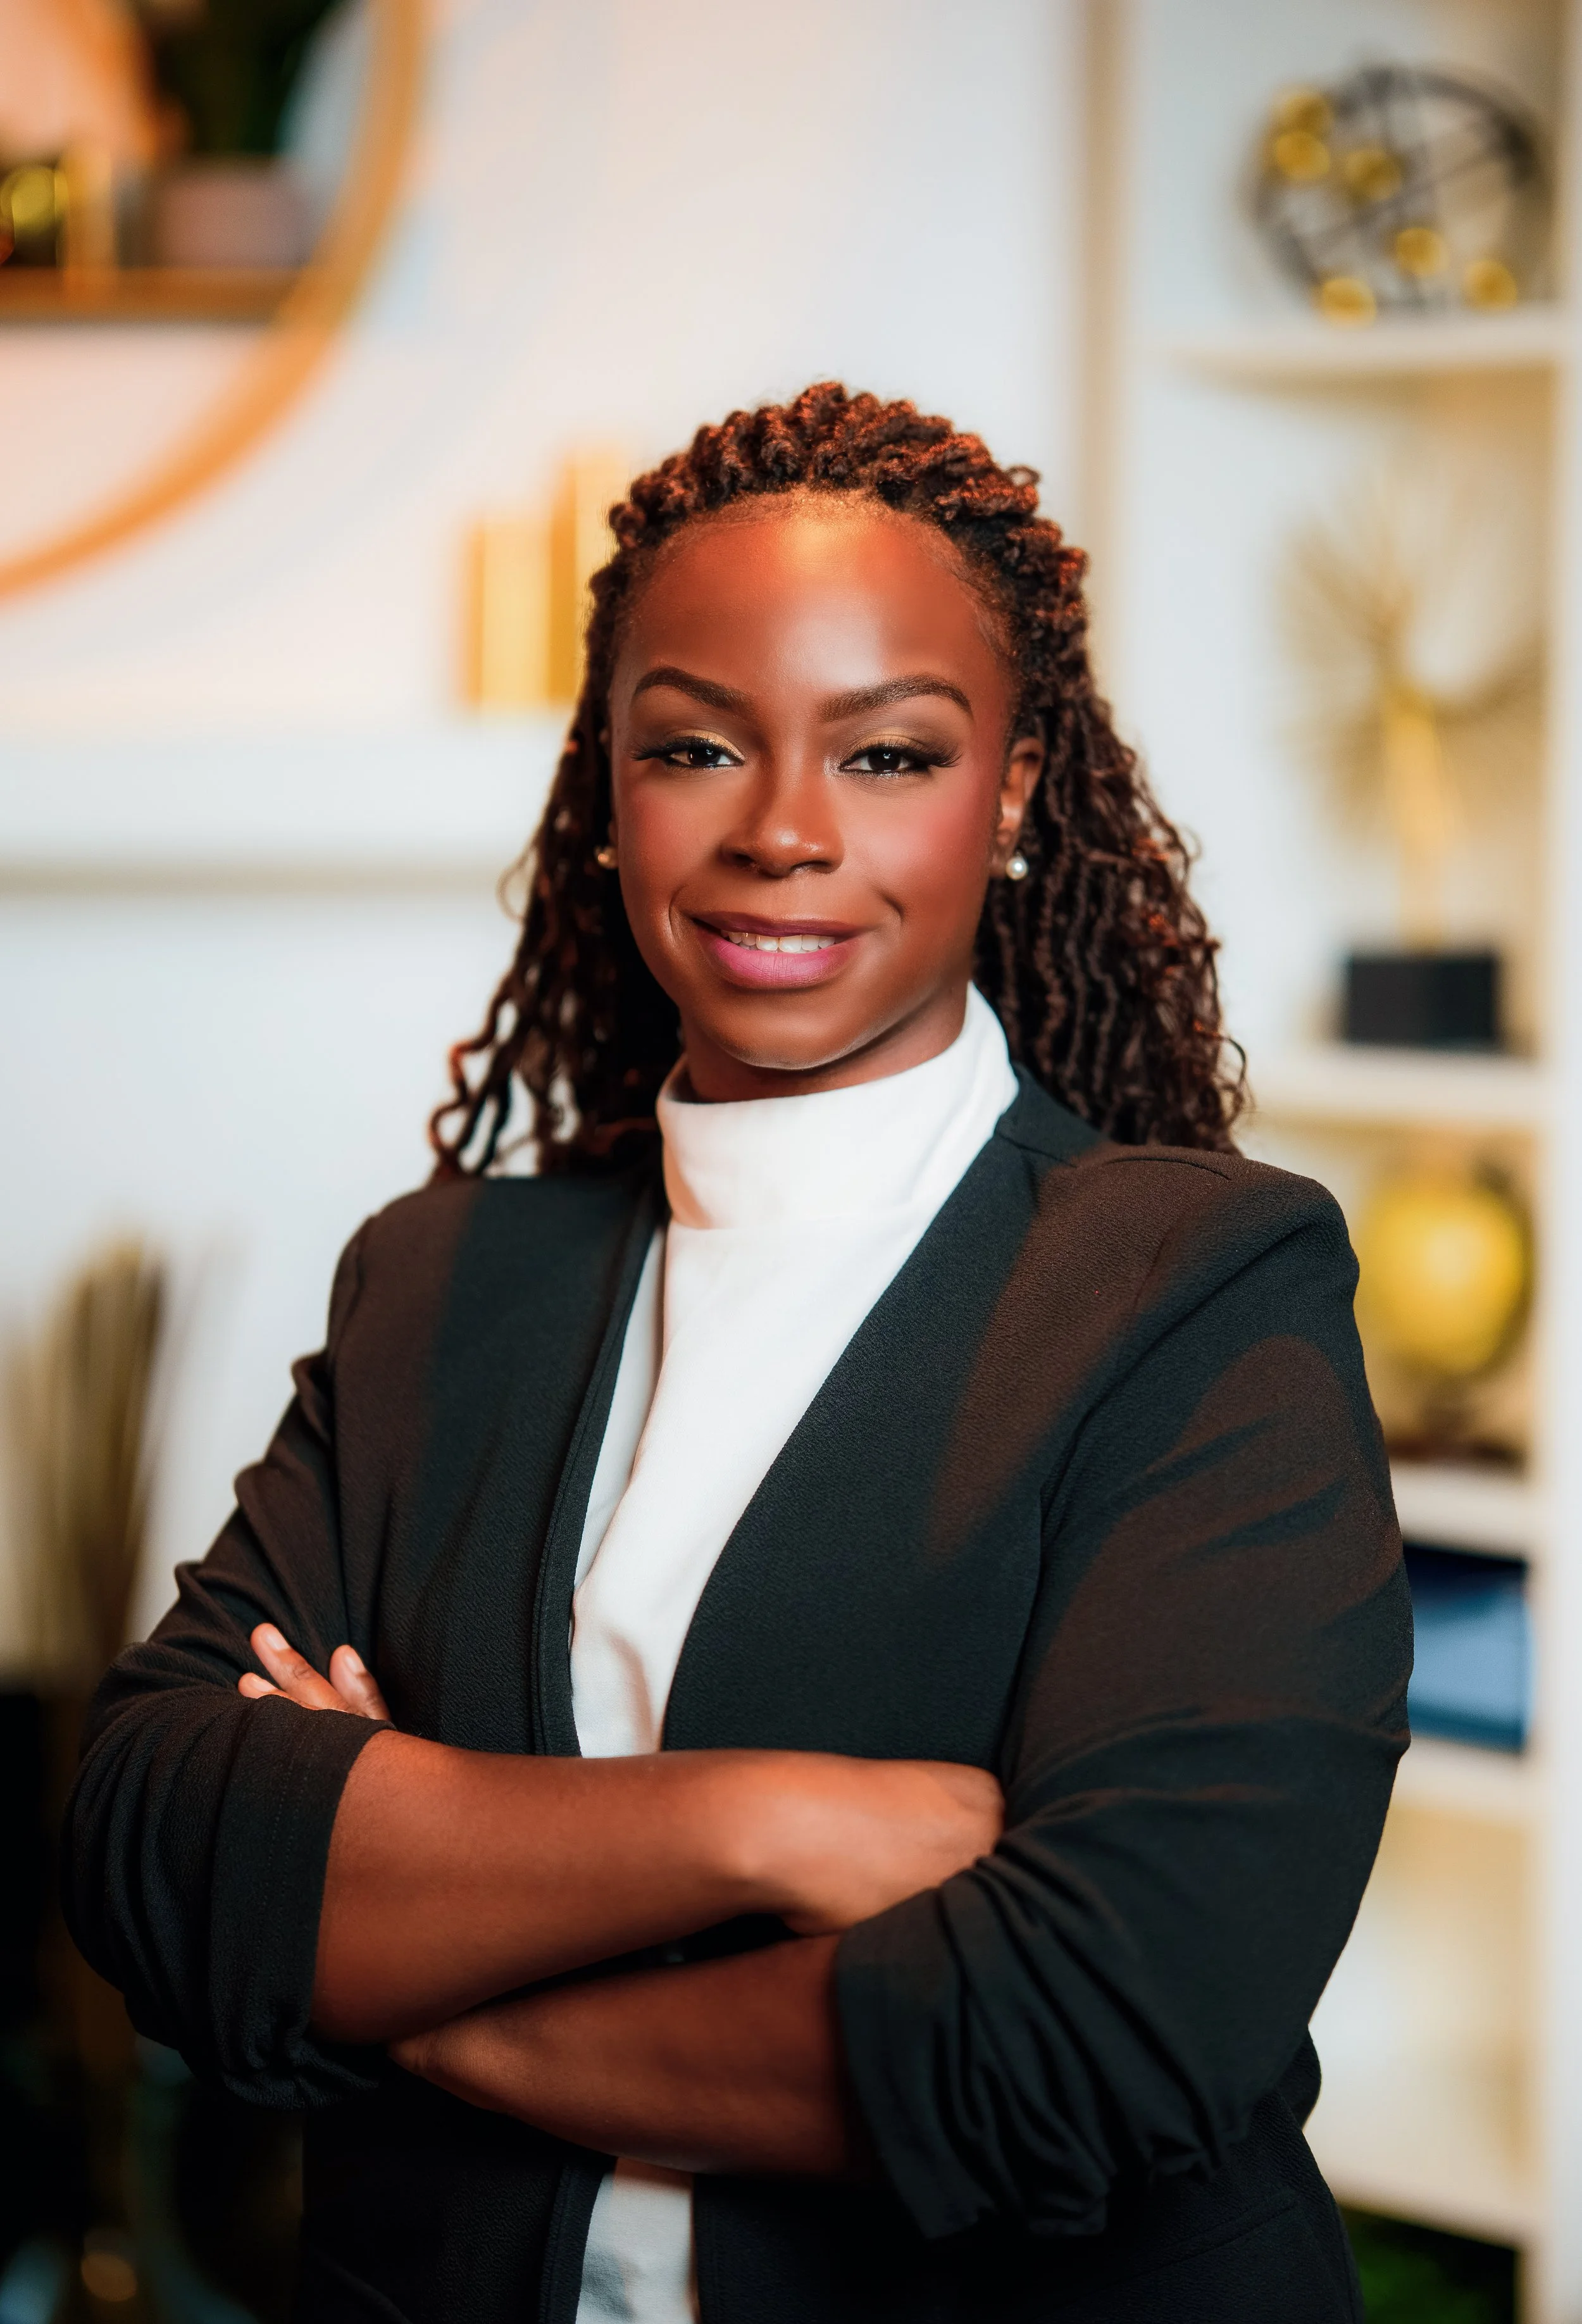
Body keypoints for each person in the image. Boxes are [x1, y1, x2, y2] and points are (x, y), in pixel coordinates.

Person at [65, 383, 1410, 2324]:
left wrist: (425, 2005)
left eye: (886, 755)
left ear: (1013, 790)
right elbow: (158, 1841)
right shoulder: (445, 1283)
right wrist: (771, 1824)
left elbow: (1090, 2029)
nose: (783, 832)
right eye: (695, 745)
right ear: (605, 791)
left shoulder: (1195, 1291)